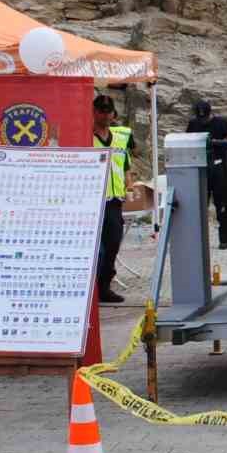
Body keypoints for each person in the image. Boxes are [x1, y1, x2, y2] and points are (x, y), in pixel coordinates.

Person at [93, 93, 136, 304]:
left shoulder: (119, 137)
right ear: (93, 112)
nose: (105, 115)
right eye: (100, 110)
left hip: (114, 200)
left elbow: (125, 165)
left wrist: (130, 186)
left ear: (113, 113)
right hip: (92, 199)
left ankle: (104, 287)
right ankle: (93, 288)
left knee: (112, 245)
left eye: (108, 111)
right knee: (96, 249)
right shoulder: (85, 137)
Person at [186, 98, 227, 222]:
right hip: (201, 166)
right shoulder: (193, 124)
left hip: (219, 165)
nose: (203, 121)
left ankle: (224, 234)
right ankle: (199, 234)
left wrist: (215, 143)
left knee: (221, 200)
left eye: (205, 118)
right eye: (200, 118)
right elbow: (188, 142)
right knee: (201, 201)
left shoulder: (221, 123)